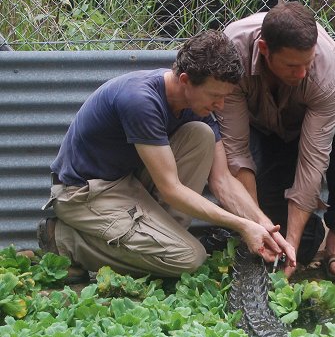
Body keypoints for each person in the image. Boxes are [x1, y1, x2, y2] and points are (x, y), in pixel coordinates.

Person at [38, 30, 296, 283]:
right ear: (185, 80)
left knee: (200, 135)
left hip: (126, 184)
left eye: (225, 97)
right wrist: (242, 225)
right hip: (83, 193)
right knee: (189, 259)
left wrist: (264, 225)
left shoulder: (196, 105)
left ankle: (161, 244)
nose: (220, 106)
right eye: (215, 96)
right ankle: (64, 240)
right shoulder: (141, 100)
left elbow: (223, 181)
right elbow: (171, 190)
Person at [219, 2, 335, 281]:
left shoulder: (324, 69)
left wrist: (293, 251)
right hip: (260, 125)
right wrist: (258, 227)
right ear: (264, 50)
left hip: (309, 120)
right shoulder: (232, 55)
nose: (301, 73)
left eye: (307, 63)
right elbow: (236, 152)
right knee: (271, 226)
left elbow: (313, 161)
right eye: (292, 65)